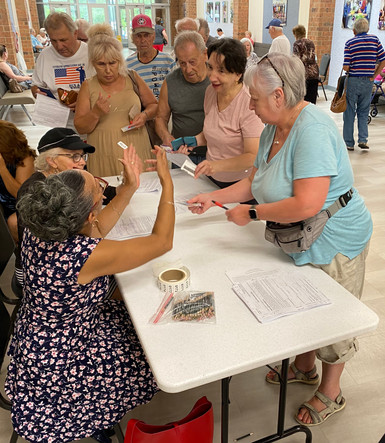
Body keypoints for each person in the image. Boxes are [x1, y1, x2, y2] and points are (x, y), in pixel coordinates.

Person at [188, 53, 372, 427]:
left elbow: (307, 203)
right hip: (303, 236)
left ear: (279, 95)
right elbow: (257, 181)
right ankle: (304, 367)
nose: (250, 103)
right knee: (307, 304)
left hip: (336, 239)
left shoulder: (313, 129)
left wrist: (252, 213)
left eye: (255, 97)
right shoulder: (274, 125)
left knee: (334, 318)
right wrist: (215, 197)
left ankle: (331, 390)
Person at [5, 144, 175, 443]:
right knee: (152, 343)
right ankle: (96, 413)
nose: (98, 182)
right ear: (88, 216)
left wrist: (128, 188)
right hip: (68, 356)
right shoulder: (83, 255)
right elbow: (161, 242)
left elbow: (94, 229)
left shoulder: (40, 223)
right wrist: (167, 183)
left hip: (38, 340)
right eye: (99, 191)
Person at [176, 38, 263, 188]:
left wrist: (216, 166)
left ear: (238, 74)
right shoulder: (211, 91)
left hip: (240, 184)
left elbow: (252, 156)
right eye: (210, 67)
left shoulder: (248, 103)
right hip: (212, 179)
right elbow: (214, 130)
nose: (212, 76)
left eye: (221, 70)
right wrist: (193, 141)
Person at [74, 24, 157, 176]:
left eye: (112, 63)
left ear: (120, 61)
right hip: (103, 152)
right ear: (93, 63)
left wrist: (144, 116)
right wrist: (96, 113)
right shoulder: (88, 85)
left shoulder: (132, 77)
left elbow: (154, 106)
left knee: (144, 193)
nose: (108, 70)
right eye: (101, 64)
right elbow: (80, 127)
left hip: (137, 147)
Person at [155, 31, 210, 165]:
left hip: (214, 155)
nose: (188, 69)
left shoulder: (217, 79)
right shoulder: (171, 82)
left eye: (192, 62)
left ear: (205, 54)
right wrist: (166, 136)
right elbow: (160, 118)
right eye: (182, 63)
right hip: (182, 155)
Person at [31, 12, 91, 132]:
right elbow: (35, 86)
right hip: (59, 127)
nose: (59, 46)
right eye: (54, 40)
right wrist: (37, 93)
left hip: (91, 124)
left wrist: (85, 101)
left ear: (75, 34)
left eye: (63, 40)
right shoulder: (45, 56)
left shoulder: (91, 53)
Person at [343, 18, 385, 151]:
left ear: (354, 30)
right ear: (367, 29)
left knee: (349, 111)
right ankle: (363, 139)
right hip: (368, 81)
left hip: (353, 80)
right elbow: (383, 60)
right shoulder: (375, 40)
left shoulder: (350, 42)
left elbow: (345, 67)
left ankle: (349, 143)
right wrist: (374, 75)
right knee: (363, 110)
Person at [126, 14, 175, 101]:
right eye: (138, 36)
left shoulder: (168, 61)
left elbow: (176, 90)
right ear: (133, 38)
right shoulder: (128, 65)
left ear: (153, 36)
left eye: (146, 35)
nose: (143, 40)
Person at [0, 121, 35, 241]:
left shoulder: (25, 158)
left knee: (13, 222)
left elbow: (19, 194)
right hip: (2, 205)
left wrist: (2, 168)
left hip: (20, 206)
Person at [292, 24, 319, 104]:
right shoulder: (311, 42)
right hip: (314, 72)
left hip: (304, 73)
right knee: (312, 99)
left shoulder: (297, 43)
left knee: (303, 99)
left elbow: (296, 59)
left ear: (296, 34)